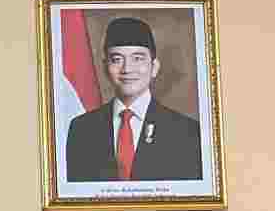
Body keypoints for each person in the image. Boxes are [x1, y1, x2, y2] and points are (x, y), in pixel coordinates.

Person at [65, 16, 204, 182]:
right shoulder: (82, 129)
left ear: (154, 67)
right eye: (117, 59)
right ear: (105, 67)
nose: (127, 69)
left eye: (137, 58)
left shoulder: (186, 132)